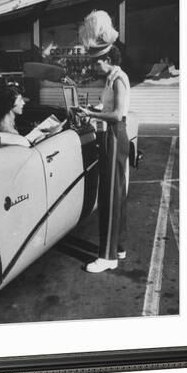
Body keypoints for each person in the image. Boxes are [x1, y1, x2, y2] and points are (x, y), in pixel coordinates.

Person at [79, 27, 130, 273]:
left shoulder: (119, 79)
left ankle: (108, 257)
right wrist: (95, 106)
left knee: (109, 195)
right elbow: (109, 106)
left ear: (108, 60)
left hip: (114, 133)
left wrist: (91, 113)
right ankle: (117, 247)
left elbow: (117, 114)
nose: (95, 65)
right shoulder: (112, 79)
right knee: (115, 193)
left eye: (97, 61)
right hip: (114, 134)